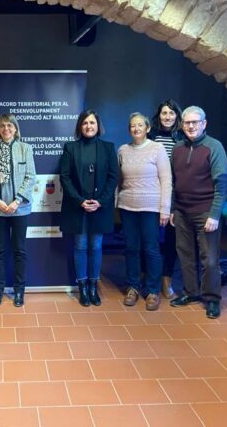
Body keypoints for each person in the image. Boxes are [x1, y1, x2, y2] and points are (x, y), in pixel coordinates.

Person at [170, 106, 227, 319]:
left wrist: (215, 214)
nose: (191, 126)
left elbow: (222, 182)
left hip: (206, 211)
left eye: (195, 122)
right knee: (185, 255)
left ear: (204, 124)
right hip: (182, 211)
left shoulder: (214, 147)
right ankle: (191, 293)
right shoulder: (177, 148)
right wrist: (173, 209)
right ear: (182, 125)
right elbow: (174, 182)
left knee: (209, 258)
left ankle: (212, 298)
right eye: (187, 122)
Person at [59, 110, 118, 307]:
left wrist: (100, 201)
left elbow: (113, 177)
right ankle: (83, 288)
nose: (89, 126)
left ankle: (94, 287)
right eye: (85, 123)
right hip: (78, 207)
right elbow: (64, 177)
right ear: (80, 126)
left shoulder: (108, 148)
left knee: (96, 246)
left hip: (100, 207)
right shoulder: (70, 147)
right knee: (80, 246)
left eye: (92, 122)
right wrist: (79, 201)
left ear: (98, 126)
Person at [117, 113, 172, 311]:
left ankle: (152, 290)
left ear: (148, 128)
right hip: (127, 206)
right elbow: (118, 180)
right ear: (129, 129)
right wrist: (115, 203)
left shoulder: (157, 149)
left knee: (151, 248)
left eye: (140, 125)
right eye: (133, 126)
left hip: (151, 207)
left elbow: (166, 179)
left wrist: (165, 209)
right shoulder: (122, 150)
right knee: (131, 247)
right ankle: (133, 287)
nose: (136, 128)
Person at [0, 114, 35, 307]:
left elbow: (30, 176)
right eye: (2, 126)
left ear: (15, 128)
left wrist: (17, 201)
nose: (6, 129)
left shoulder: (25, 148)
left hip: (20, 209)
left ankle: (19, 291)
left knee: (19, 250)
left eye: (10, 125)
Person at [148, 99, 184, 299]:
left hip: (175, 194)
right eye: (164, 113)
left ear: (177, 116)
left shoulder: (183, 137)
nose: (168, 117)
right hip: (151, 193)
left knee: (172, 240)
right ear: (158, 115)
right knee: (150, 238)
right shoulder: (150, 136)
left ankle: (166, 279)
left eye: (171, 113)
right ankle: (148, 276)